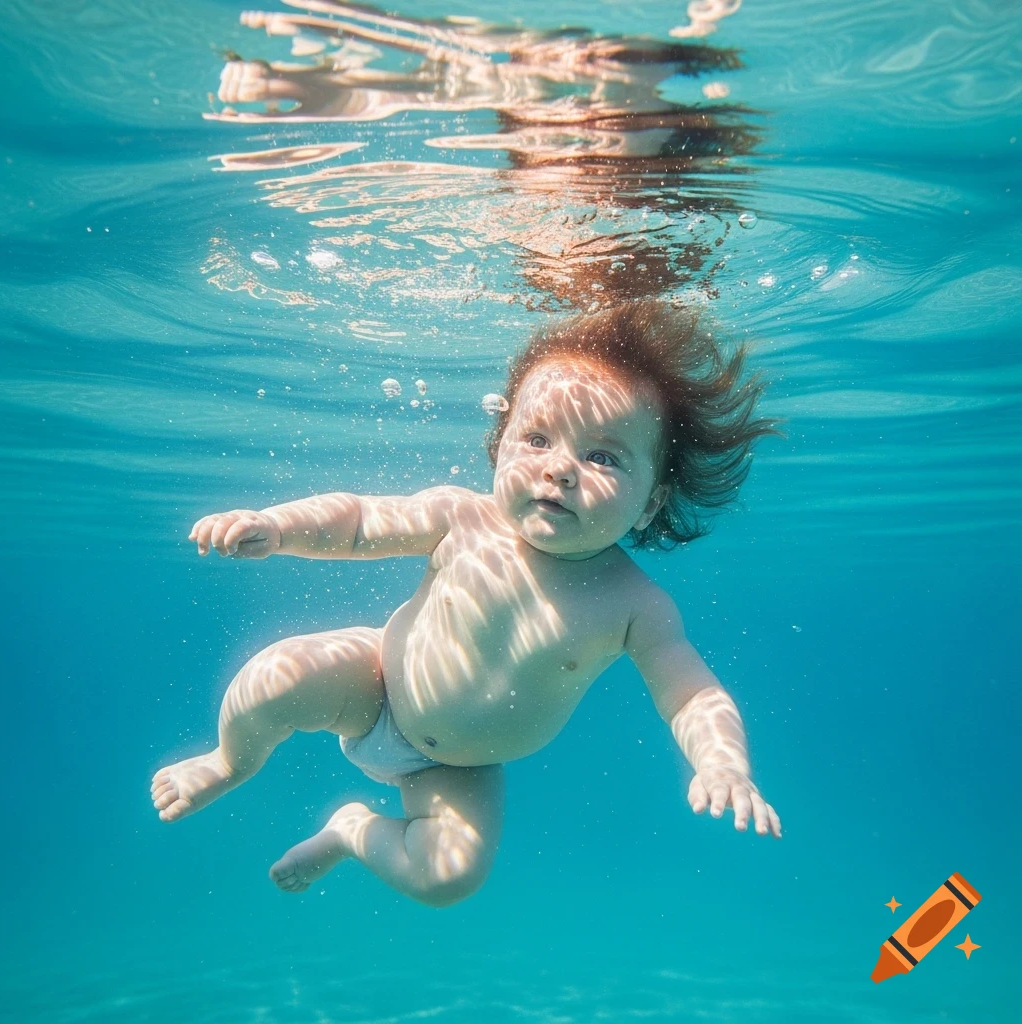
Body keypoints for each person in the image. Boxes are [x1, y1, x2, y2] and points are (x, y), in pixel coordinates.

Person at [151, 300, 782, 908]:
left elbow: (693, 695)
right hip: (373, 684)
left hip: (460, 767)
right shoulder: (462, 516)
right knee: (273, 678)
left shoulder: (636, 605)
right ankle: (227, 761)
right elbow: (359, 520)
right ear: (499, 445)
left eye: (602, 457)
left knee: (448, 878)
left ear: (649, 502)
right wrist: (278, 527)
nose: (560, 470)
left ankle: (350, 832)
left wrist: (723, 765)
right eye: (537, 439)